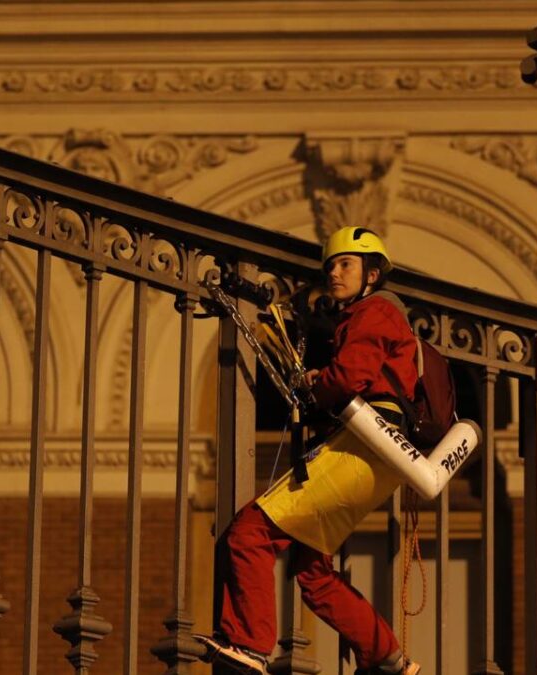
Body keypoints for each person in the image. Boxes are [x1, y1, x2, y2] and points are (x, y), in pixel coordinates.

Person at [197, 226, 421, 675]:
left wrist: (321, 384)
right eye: (331, 265)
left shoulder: (375, 310)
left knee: (249, 534)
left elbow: (350, 377)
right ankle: (387, 658)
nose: (334, 273)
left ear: (372, 273)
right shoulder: (373, 316)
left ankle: (250, 644)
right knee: (312, 571)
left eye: (345, 265)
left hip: (362, 446)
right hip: (379, 452)